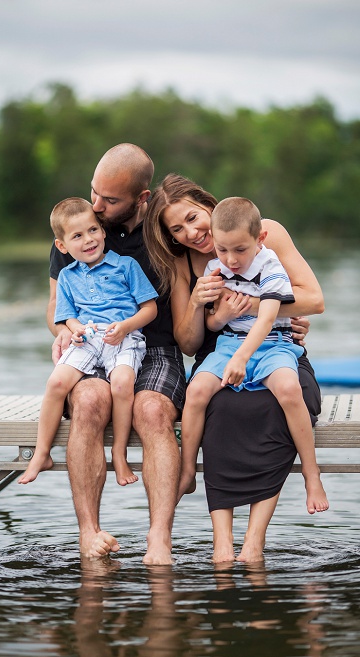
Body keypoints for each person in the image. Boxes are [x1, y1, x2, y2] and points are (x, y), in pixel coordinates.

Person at [144, 173, 325, 562]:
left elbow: (314, 300)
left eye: (193, 218)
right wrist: (198, 304)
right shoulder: (184, 265)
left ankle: (254, 540)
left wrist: (258, 305)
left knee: (275, 403)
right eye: (177, 229)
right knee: (221, 409)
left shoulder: (265, 233)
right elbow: (189, 343)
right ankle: (221, 543)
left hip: (277, 345)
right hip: (221, 353)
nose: (191, 233)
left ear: (207, 204)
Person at [48, 144, 185, 564]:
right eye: (95, 192)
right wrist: (62, 332)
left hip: (156, 346)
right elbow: (56, 311)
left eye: (110, 200)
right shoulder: (77, 230)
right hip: (93, 344)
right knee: (89, 401)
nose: (97, 206)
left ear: (141, 198)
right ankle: (88, 532)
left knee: (152, 411)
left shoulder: (164, 232)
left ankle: (159, 538)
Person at [177, 197, 327, 516]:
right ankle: (187, 469)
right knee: (197, 391)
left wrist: (242, 358)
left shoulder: (270, 267)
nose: (230, 260)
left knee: (288, 390)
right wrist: (220, 315)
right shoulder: (214, 268)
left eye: (239, 250)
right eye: (222, 250)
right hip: (229, 344)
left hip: (272, 343)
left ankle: (312, 475)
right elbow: (215, 321)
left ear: (259, 240)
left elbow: (267, 319)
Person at [21, 198, 158, 487]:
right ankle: (41, 453)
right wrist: (76, 329)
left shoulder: (126, 266)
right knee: (57, 383)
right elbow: (66, 316)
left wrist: (125, 327)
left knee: (122, 382)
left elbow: (150, 309)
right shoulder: (67, 276)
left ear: (103, 231)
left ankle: (118, 454)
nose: (88, 240)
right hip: (89, 338)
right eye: (77, 236)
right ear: (62, 246)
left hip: (124, 336)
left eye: (93, 230)